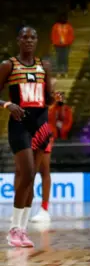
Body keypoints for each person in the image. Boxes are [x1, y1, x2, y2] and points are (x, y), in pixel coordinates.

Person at [0, 27, 55, 247]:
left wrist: (55, 99)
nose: (29, 40)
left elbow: (48, 98)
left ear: (37, 40)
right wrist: (7, 104)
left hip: (40, 126)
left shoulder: (44, 66)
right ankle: (13, 228)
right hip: (19, 125)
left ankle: (22, 231)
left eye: (33, 37)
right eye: (25, 37)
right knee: (27, 172)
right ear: (18, 40)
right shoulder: (8, 65)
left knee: (32, 178)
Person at [50, 13, 75, 77]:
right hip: (58, 45)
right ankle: (59, 71)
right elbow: (53, 35)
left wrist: (69, 42)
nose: (63, 19)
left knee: (65, 58)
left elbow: (71, 35)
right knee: (59, 58)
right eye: (61, 18)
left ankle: (65, 71)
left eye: (64, 18)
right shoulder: (55, 26)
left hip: (66, 45)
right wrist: (55, 42)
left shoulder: (69, 26)